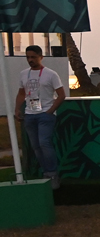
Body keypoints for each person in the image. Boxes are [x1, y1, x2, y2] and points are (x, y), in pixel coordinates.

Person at [15, 46, 66, 188]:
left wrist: (51, 110)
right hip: (30, 114)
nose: (30, 60)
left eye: (33, 57)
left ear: (40, 57)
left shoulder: (51, 74)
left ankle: (53, 173)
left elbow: (61, 94)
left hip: (45, 114)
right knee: (36, 146)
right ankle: (46, 172)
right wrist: (17, 109)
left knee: (44, 143)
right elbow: (21, 93)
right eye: (28, 57)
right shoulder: (24, 74)